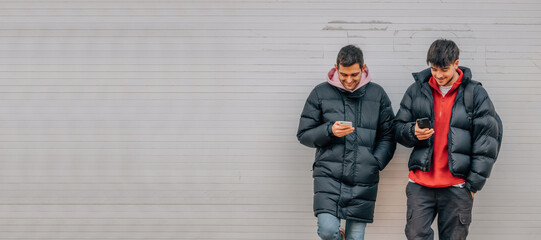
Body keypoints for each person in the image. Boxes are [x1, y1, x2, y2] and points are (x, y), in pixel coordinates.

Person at [394, 39, 503, 240]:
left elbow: (488, 141)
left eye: (444, 69)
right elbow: (398, 128)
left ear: (456, 63)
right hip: (421, 184)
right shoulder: (416, 90)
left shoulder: (475, 94)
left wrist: (472, 185)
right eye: (434, 69)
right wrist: (412, 131)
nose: (439, 75)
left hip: (457, 186)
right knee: (415, 235)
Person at [297, 45, 396, 240]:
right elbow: (304, 134)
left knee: (356, 238)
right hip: (328, 176)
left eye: (354, 74)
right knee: (327, 231)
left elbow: (389, 135)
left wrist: (374, 162)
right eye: (343, 74)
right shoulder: (320, 93)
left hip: (363, 178)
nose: (349, 80)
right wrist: (329, 130)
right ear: (336, 67)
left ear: (363, 68)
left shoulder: (377, 94)